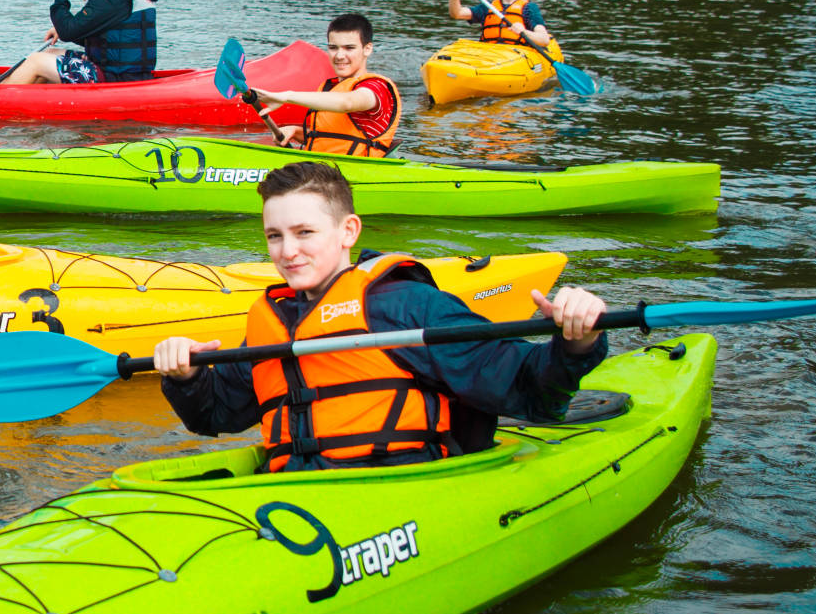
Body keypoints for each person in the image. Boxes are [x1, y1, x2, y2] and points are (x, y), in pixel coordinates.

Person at [151, 161, 607, 472]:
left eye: (305, 232)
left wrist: (577, 339)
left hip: (394, 493)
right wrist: (188, 377)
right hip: (294, 495)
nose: (287, 252)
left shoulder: (403, 305)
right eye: (275, 236)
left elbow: (529, 387)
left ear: (348, 230)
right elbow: (217, 416)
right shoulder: (272, 317)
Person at [0, 0, 161, 86]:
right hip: (118, 72)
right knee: (50, 52)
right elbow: (98, 37)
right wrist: (61, 29)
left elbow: (69, 31)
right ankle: (27, 98)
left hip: (115, 79)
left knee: (36, 61)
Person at [248, 13, 401, 157]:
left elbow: (347, 103)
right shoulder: (328, 87)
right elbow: (330, 138)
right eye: (333, 48)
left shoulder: (377, 87)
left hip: (352, 174)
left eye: (349, 48)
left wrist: (286, 96)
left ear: (367, 49)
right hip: (321, 171)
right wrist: (296, 132)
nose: (340, 56)